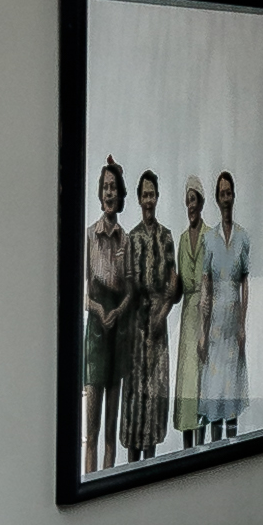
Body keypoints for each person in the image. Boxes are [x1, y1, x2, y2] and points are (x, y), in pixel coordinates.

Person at [79, 156, 131, 484]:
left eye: (114, 187)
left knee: (111, 427)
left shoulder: (125, 240)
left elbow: (130, 293)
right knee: (92, 428)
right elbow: (81, 294)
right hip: (96, 335)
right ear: (99, 194)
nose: (109, 193)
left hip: (118, 336)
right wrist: (98, 311)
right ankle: (88, 481)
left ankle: (109, 486)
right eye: (105, 188)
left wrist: (118, 309)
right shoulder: (88, 236)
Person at [122, 168, 178, 464]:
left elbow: (174, 286)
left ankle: (151, 467)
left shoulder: (166, 237)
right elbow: (128, 288)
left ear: (158, 197)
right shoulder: (131, 239)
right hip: (136, 330)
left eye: (152, 194)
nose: (148, 200)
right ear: (138, 198)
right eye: (144, 195)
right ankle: (131, 469)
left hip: (158, 330)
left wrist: (163, 312)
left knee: (154, 399)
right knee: (134, 402)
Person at [202, 168, 252, 442]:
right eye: (221, 193)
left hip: (233, 319)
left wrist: (243, 325)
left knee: (232, 386)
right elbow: (205, 285)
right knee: (216, 387)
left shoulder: (243, 237)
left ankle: (232, 444)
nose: (226, 198)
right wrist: (202, 329)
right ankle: (215, 445)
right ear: (216, 198)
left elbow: (245, 282)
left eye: (229, 192)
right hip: (215, 322)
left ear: (234, 196)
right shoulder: (210, 238)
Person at [173, 179, 211, 441]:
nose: (190, 206)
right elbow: (177, 286)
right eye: (187, 201)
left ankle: (202, 448)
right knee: (187, 385)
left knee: (203, 385)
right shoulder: (182, 238)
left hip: (206, 313)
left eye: (194, 199)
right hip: (187, 316)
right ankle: (187, 449)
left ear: (202, 202)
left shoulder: (211, 236)